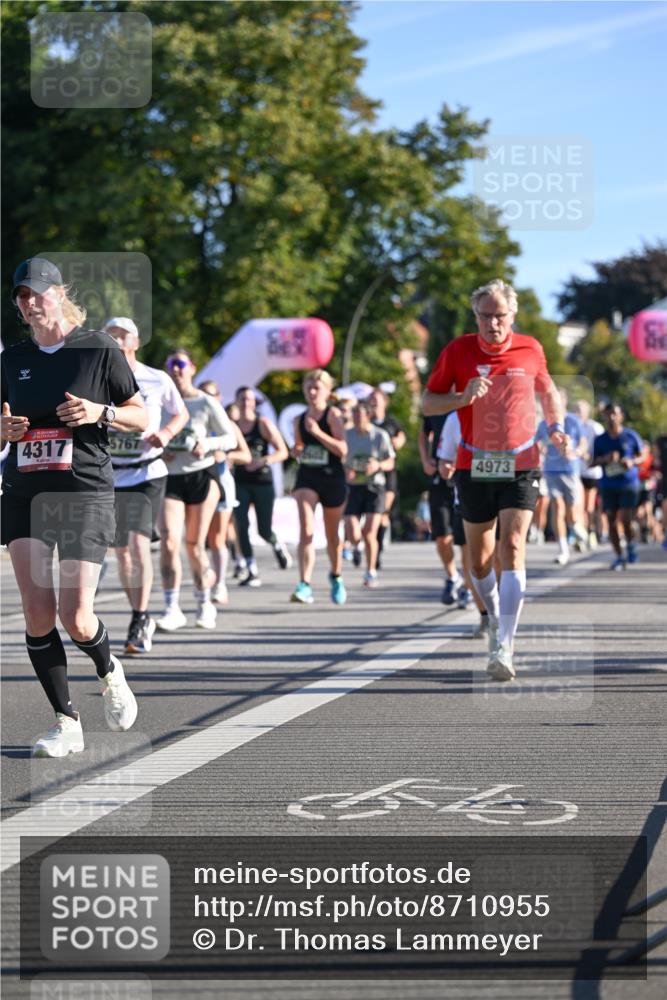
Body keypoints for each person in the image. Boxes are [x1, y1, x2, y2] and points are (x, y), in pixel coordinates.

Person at [1, 257, 147, 757]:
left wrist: (99, 411)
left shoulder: (99, 349)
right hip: (25, 492)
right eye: (21, 296)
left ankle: (109, 672)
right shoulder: (12, 358)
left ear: (59, 294)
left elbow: (140, 414)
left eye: (37, 292)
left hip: (83, 490)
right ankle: (66, 721)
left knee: (77, 615)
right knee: (38, 613)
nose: (28, 302)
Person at [423, 278, 569, 682]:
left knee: (513, 545)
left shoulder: (531, 348)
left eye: (499, 316)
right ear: (476, 317)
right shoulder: (457, 351)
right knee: (479, 560)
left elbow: (549, 390)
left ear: (512, 316)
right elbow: (428, 401)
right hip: (474, 463)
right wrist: (460, 398)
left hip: (521, 460)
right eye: (485, 316)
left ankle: (505, 643)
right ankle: (489, 617)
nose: (492, 324)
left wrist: (555, 426)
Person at [105, 317, 188, 653]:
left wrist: (166, 434)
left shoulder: (156, 378)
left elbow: (180, 414)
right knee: (122, 555)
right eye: (111, 336)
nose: (117, 341)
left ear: (136, 343)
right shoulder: (96, 378)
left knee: (139, 546)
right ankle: (141, 613)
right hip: (111, 474)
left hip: (146, 473)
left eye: (123, 336)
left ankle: (139, 618)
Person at [157, 349, 238, 630]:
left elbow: (230, 438)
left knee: (194, 544)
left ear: (192, 367)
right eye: (171, 364)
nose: (176, 369)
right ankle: (172, 607)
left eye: (181, 364)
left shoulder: (205, 403)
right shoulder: (161, 402)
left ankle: (204, 603)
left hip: (202, 475)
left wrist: (209, 445)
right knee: (169, 541)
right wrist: (159, 449)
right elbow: (145, 432)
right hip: (171, 476)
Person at [290, 369, 348, 605]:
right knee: (306, 529)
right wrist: (297, 450)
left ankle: (336, 576)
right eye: (308, 388)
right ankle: (304, 584)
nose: (312, 392)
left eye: (317, 388)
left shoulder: (332, 415)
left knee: (333, 536)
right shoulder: (299, 419)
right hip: (307, 478)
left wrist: (319, 433)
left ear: (327, 391)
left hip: (332, 478)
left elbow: (342, 450)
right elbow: (299, 446)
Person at [435, 409, 490, 633]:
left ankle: (500, 613)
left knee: (501, 557)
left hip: (503, 495)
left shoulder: (504, 411)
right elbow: (444, 463)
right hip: (468, 496)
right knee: (472, 560)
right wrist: (448, 468)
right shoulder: (455, 418)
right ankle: (485, 615)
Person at [199, 380, 251, 605]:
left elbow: (246, 455)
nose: (207, 399)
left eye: (211, 395)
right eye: (203, 394)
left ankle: (219, 585)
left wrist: (226, 457)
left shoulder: (228, 424)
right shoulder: (191, 421)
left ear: (219, 398)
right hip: (195, 483)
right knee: (197, 540)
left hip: (220, 483)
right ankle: (205, 578)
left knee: (217, 538)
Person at [233, 386, 291, 587]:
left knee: (264, 530)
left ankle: (276, 544)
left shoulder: (263, 424)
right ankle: (251, 569)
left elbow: (283, 451)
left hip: (262, 482)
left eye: (249, 399)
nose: (245, 402)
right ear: (237, 401)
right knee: (241, 525)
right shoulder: (233, 426)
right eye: (242, 398)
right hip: (240, 482)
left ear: (254, 402)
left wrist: (263, 461)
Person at [343, 399, 395, 588]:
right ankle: (356, 547)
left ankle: (371, 571)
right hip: (353, 487)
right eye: (354, 415)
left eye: (360, 415)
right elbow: (339, 456)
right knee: (353, 531)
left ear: (368, 415)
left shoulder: (380, 435)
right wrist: (346, 469)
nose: (356, 418)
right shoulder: (346, 434)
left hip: (375, 487)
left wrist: (377, 465)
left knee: (369, 532)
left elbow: (391, 462)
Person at [536, 389, 588, 566]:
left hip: (570, 470)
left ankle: (581, 533)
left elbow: (583, 441)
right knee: (558, 508)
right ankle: (563, 550)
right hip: (552, 470)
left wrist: (577, 452)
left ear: (564, 402)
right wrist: (540, 449)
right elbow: (537, 442)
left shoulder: (573, 421)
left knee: (572, 514)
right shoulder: (544, 423)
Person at [419, 412, 464, 605]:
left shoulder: (473, 397)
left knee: (467, 539)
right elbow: (423, 432)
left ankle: (470, 587)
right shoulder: (437, 401)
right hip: (440, 476)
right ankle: (453, 576)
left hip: (466, 476)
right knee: (442, 536)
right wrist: (424, 460)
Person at [591, 403, 643, 570]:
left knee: (626, 519)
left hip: (628, 483)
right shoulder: (600, 440)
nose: (611, 417)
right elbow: (591, 462)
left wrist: (632, 462)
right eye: (608, 414)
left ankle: (631, 545)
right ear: (604, 417)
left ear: (621, 416)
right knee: (612, 521)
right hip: (608, 484)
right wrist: (604, 459)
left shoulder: (630, 436)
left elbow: (642, 456)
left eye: (614, 413)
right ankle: (619, 556)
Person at [369, 387, 405, 568]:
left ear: (384, 402)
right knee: (371, 514)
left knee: (383, 513)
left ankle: (378, 551)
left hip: (388, 472)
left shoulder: (391, 422)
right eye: (371, 399)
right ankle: (369, 545)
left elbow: (401, 438)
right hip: (368, 474)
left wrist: (395, 442)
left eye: (377, 399)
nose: (373, 402)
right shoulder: (365, 422)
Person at [572, 398, 604, 549]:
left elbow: (602, 447)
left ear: (587, 412)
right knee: (577, 505)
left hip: (592, 472)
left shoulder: (594, 427)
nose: (576, 413)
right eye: (575, 409)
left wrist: (590, 457)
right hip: (576, 471)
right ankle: (581, 534)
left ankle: (591, 532)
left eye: (579, 410)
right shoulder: (571, 427)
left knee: (589, 506)